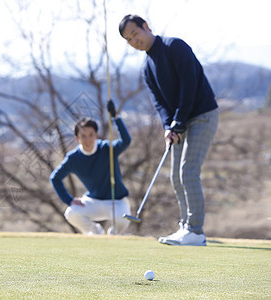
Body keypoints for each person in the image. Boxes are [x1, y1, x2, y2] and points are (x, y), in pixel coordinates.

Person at [118, 15, 219, 246]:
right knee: (175, 176)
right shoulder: (147, 68)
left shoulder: (175, 46)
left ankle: (195, 230)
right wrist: (168, 127)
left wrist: (179, 120)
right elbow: (160, 104)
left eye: (135, 34)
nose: (134, 41)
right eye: (128, 39)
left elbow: (189, 84)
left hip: (202, 114)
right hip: (179, 122)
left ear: (146, 27)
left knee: (188, 171)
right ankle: (185, 227)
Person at [50, 100, 132, 235]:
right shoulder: (73, 158)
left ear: (96, 135)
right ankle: (95, 232)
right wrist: (69, 200)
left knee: (123, 219)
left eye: (90, 135)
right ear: (77, 139)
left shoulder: (107, 149)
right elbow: (55, 178)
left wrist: (115, 118)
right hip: (92, 201)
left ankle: (113, 234)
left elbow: (126, 141)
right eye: (83, 136)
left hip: (117, 201)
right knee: (71, 213)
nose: (87, 139)